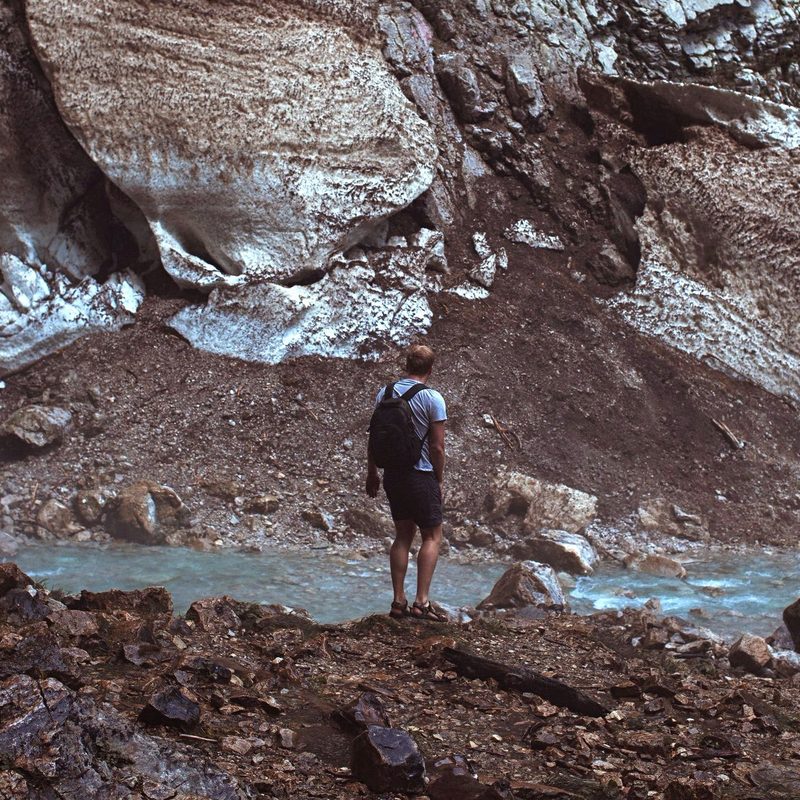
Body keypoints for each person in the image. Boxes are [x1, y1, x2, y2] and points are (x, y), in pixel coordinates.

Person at [365, 344, 447, 620]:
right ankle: (421, 602)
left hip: (393, 475)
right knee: (432, 536)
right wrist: (439, 478)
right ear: (430, 369)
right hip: (421, 474)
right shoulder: (433, 398)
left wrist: (372, 472)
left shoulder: (385, 393)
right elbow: (437, 447)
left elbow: (374, 437)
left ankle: (398, 601)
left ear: (406, 365)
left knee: (402, 535)